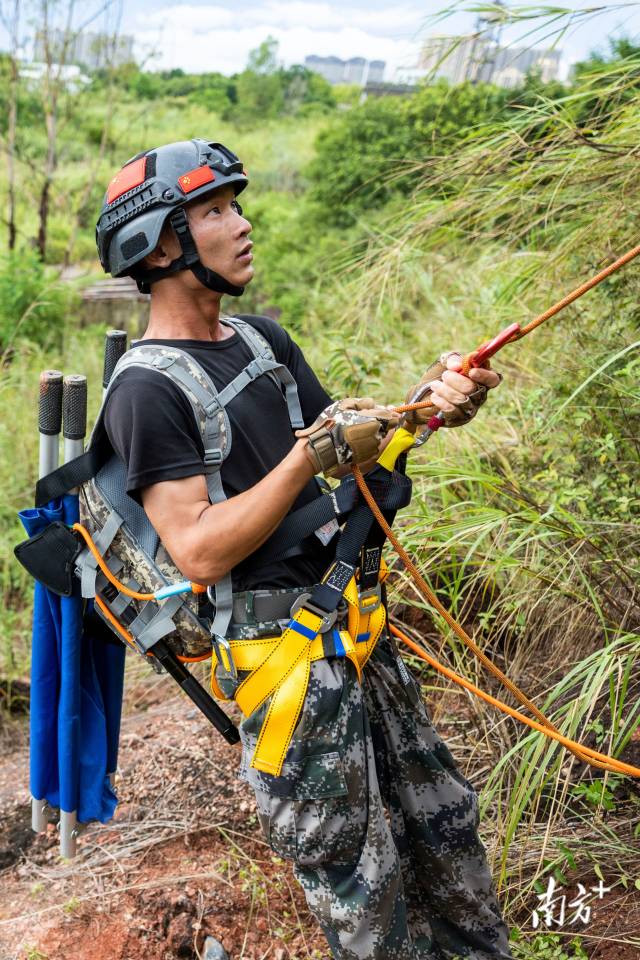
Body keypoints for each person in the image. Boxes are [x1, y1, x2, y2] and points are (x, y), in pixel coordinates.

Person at [96, 139, 513, 959]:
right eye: (214, 210)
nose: (241, 224)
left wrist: (428, 409)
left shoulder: (262, 343)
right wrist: (304, 458)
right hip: (286, 666)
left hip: (359, 636)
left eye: (236, 205)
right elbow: (199, 552)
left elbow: (348, 462)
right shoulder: (147, 390)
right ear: (160, 245)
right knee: (361, 884)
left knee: (446, 834)